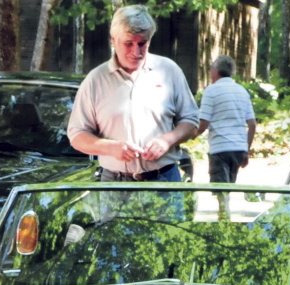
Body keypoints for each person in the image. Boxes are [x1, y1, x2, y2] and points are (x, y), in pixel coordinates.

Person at [67, 5, 198, 182]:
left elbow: (191, 121)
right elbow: (77, 135)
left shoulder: (169, 71)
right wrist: (110, 147)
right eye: (128, 43)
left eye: (142, 43)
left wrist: (167, 140)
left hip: (164, 179)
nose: (136, 52)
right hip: (114, 182)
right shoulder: (95, 80)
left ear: (149, 40)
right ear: (114, 40)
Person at [197, 55, 257, 184]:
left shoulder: (211, 91)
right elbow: (252, 124)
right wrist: (246, 149)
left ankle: (224, 205)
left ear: (216, 71)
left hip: (220, 147)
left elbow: (203, 124)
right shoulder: (242, 91)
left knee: (221, 190)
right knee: (230, 186)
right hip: (239, 149)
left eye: (211, 69)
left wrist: (189, 135)